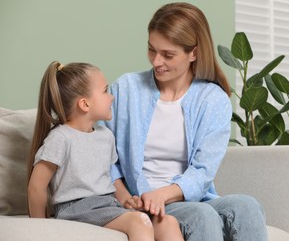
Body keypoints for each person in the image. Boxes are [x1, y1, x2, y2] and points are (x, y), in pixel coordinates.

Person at [104, 2, 268, 240]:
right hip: (141, 199)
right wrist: (125, 196)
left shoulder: (213, 99)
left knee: (247, 206)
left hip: (185, 197)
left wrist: (163, 194)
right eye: (152, 49)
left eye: (168, 55)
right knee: (201, 215)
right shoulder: (126, 88)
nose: (156, 61)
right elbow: (103, 152)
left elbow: (203, 170)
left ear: (194, 53)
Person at [27, 61, 184, 241]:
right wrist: (40, 227)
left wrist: (126, 200)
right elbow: (36, 187)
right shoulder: (61, 138)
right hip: (76, 209)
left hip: (107, 204)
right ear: (85, 104)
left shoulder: (105, 135)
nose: (112, 97)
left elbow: (108, 178)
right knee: (139, 221)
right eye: (105, 91)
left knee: (167, 222)